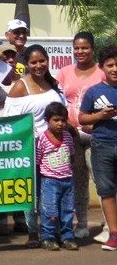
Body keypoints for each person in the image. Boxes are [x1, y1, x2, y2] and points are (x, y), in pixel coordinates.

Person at [2, 44, 65, 248]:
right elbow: (10, 120)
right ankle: (32, 231)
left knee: (52, 190)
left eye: (42, 61)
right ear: (27, 64)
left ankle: (52, 231)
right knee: (32, 191)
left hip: (55, 147)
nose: (39, 65)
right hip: (30, 146)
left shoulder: (53, 83)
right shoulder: (20, 86)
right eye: (34, 62)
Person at [55, 31, 103, 239]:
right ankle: (81, 224)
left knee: (102, 180)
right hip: (71, 135)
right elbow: (57, 102)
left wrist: (98, 123)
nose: (80, 51)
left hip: (97, 134)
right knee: (78, 181)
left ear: (93, 49)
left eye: (85, 48)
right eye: (77, 48)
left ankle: (111, 226)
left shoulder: (102, 73)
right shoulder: (64, 72)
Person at [78, 44, 117, 251]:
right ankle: (113, 233)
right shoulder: (94, 92)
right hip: (102, 144)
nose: (115, 69)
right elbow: (82, 117)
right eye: (110, 65)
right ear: (102, 67)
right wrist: (100, 116)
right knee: (107, 191)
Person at [36, 102, 78, 251]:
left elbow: (71, 156)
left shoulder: (67, 137)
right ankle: (48, 237)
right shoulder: (42, 138)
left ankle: (67, 237)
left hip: (67, 180)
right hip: (50, 181)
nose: (60, 124)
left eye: (63, 120)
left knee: (67, 210)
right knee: (50, 210)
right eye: (56, 120)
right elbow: (38, 159)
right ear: (47, 120)